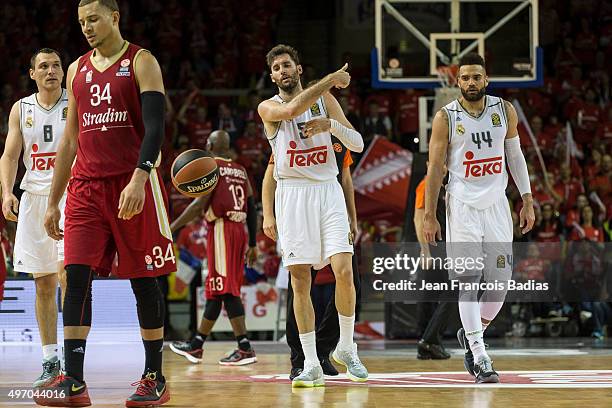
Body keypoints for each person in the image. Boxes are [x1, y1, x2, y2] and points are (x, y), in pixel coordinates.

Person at [39, 1, 175, 406]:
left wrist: (140, 176)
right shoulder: (76, 68)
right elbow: (69, 141)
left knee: (143, 281)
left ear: (115, 17)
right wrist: (52, 201)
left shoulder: (142, 61)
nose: (87, 28)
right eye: (81, 22)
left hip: (132, 182)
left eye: (93, 19)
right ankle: (74, 381)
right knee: (75, 277)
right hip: (85, 187)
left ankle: (154, 376)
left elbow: (156, 128)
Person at [258, 44, 367, 387]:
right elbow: (291, 109)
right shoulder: (268, 107)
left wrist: (330, 124)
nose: (282, 71)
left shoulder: (325, 103)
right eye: (276, 68)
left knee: (344, 270)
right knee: (300, 281)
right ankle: (309, 363)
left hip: (327, 191)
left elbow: (358, 143)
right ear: (272, 76)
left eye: (287, 65)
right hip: (292, 196)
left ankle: (346, 347)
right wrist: (331, 80)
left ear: (298, 68)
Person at [422, 53, 535, 384]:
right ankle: (479, 353)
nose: (471, 82)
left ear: (486, 79)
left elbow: (514, 155)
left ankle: (473, 332)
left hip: (497, 206)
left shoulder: (505, 110)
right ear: (457, 81)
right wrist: (430, 214)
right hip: (462, 208)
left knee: (500, 284)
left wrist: (527, 200)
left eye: (476, 77)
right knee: (469, 282)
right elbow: (434, 168)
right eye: (465, 78)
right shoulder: (446, 117)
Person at [262, 138, 360, 380]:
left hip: (331, 208)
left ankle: (326, 350)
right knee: (300, 285)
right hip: (299, 209)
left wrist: (352, 217)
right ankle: (300, 359)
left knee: (350, 279)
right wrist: (268, 215)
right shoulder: (293, 133)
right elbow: (269, 176)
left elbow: (346, 179)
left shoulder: (340, 137)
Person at [0, 48, 68, 387]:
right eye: (44, 66)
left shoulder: (76, 102)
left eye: (56, 65)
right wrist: (7, 192)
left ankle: (74, 356)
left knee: (70, 277)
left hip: (72, 197)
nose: (51, 71)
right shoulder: (21, 108)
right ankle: (50, 359)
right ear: (32, 74)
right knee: (43, 284)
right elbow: (10, 154)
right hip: (34, 200)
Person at [168, 130, 258, 366]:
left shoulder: (210, 166)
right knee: (218, 289)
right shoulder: (240, 169)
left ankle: (245, 347)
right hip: (239, 231)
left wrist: (172, 227)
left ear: (209, 144)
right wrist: (252, 242)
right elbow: (251, 205)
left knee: (226, 290)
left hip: (222, 229)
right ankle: (197, 345)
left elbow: (199, 206)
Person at [413, 171, 455, 360]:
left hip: (443, 246)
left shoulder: (443, 185)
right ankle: (430, 339)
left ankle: (427, 342)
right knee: (454, 290)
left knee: (431, 294)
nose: (444, 167)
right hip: (435, 248)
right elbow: (418, 218)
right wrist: (425, 251)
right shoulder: (427, 184)